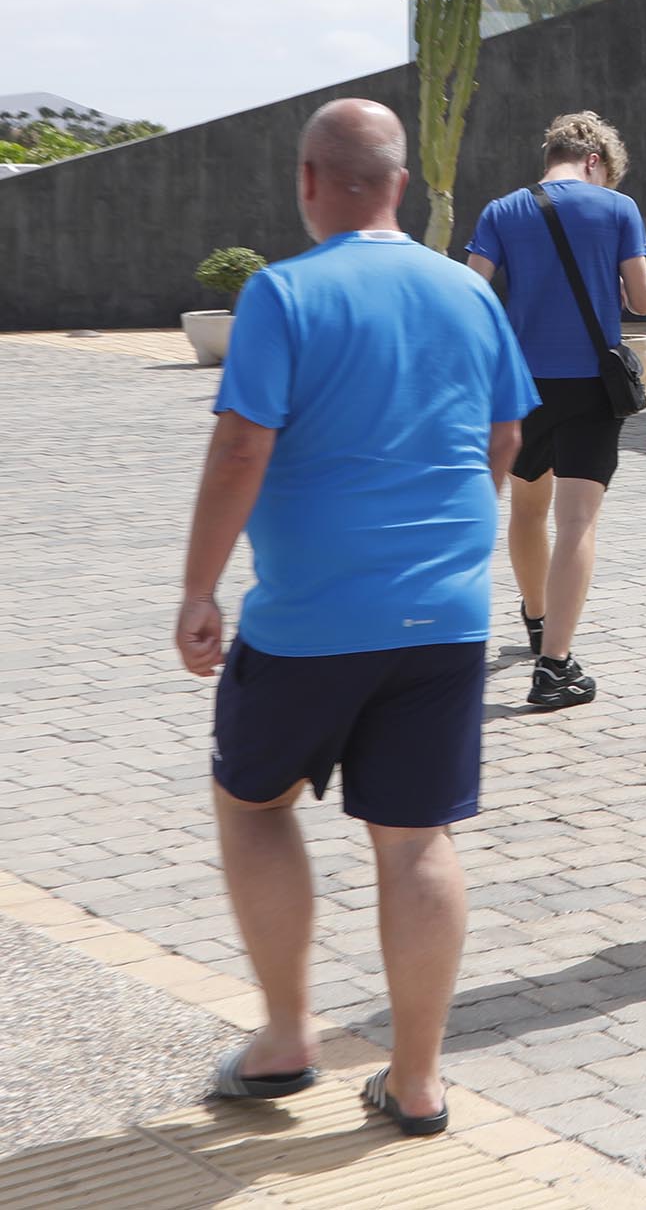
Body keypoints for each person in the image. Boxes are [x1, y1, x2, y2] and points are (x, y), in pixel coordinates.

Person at [177, 99, 535, 1138]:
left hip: (310, 618)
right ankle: (415, 1082)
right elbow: (505, 435)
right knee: (414, 838)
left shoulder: (282, 294)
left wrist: (200, 590)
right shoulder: (467, 292)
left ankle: (287, 1039)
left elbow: (242, 449)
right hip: (445, 614)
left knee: (252, 802)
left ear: (306, 182)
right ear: (401, 185)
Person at [465, 111, 646, 710]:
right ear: (595, 160)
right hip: (591, 387)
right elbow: (644, 302)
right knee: (577, 522)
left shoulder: (501, 211)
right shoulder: (618, 210)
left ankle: (538, 620)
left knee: (528, 510)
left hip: (522, 385)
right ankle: (554, 670)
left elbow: (472, 293)